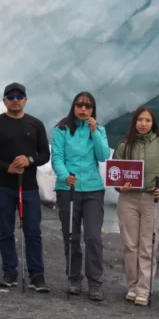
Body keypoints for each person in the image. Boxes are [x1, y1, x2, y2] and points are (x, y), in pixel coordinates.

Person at [0, 83, 51, 292]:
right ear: (4, 101)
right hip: (3, 186)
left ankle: (37, 276)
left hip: (28, 188)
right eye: (10, 96)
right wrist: (7, 168)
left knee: (33, 231)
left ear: (26, 100)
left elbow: (44, 155)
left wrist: (28, 160)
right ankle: (9, 271)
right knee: (6, 231)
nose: (15, 99)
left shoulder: (35, 124)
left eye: (19, 96)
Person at [113, 106, 159, 306]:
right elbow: (115, 170)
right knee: (130, 244)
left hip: (152, 198)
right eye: (140, 120)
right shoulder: (124, 145)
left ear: (153, 123)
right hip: (128, 199)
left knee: (147, 246)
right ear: (135, 122)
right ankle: (132, 286)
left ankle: (144, 289)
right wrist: (119, 187)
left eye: (147, 120)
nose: (143, 124)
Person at [51, 91, 110, 301]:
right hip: (68, 189)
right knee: (71, 236)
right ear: (73, 107)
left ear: (93, 109)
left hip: (93, 189)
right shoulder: (62, 129)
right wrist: (65, 176)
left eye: (88, 106)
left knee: (93, 237)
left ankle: (95, 282)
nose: (83, 109)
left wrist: (94, 131)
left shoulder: (99, 130)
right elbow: (57, 157)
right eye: (79, 105)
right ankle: (74, 278)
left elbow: (103, 155)